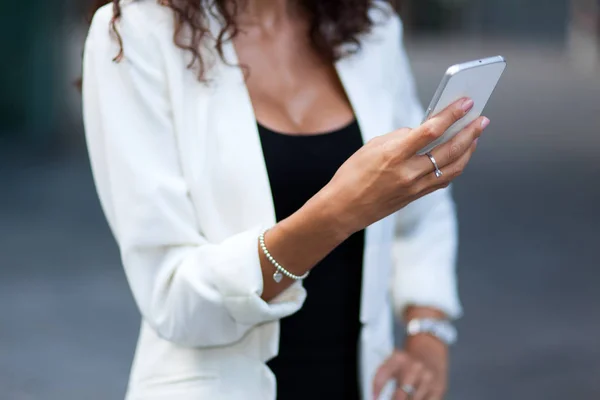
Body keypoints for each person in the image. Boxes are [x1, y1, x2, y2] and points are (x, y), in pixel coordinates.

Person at [82, 0, 488, 399]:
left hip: (363, 382)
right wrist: (337, 213)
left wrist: (428, 332)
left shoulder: (370, 24)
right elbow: (173, 299)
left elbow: (420, 209)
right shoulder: (135, 32)